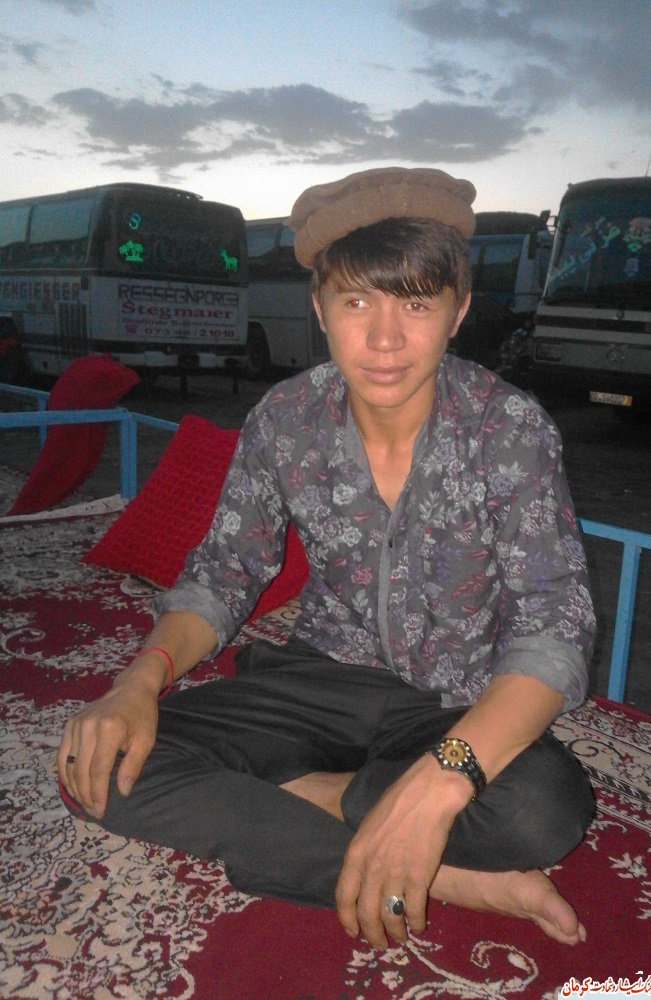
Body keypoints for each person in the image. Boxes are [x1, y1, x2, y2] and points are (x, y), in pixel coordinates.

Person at [58, 166, 596, 950]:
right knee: (101, 761)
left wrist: (441, 777)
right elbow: (225, 571)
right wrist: (137, 682)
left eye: (417, 304)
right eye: (356, 302)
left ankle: (326, 798)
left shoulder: (509, 430)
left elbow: (555, 627)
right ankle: (447, 875)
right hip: (318, 680)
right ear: (319, 307)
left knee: (543, 810)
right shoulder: (285, 420)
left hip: (454, 701)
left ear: (459, 311)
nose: (385, 340)